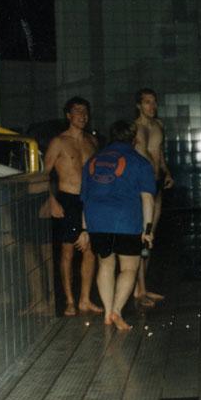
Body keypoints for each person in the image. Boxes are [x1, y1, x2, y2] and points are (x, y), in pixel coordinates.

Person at [78, 120, 156, 330]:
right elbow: (147, 198)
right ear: (134, 139)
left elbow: (85, 198)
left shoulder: (93, 161)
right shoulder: (140, 162)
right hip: (126, 220)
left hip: (97, 221)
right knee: (129, 268)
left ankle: (107, 311)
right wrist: (147, 230)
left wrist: (85, 229)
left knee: (105, 265)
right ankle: (117, 310)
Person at [43, 96, 102, 316]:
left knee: (90, 250)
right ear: (68, 115)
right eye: (77, 111)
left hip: (89, 200)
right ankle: (69, 300)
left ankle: (85, 299)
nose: (82, 115)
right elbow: (43, 175)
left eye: (85, 111)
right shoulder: (59, 142)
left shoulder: (92, 141)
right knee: (67, 250)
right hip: (67, 199)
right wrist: (51, 200)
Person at [133, 88, 172, 306]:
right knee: (143, 235)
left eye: (154, 102)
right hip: (143, 185)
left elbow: (159, 153)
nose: (152, 106)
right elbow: (142, 155)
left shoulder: (158, 125)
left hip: (156, 182)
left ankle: (142, 287)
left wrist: (167, 171)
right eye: (147, 102)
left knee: (151, 236)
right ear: (139, 105)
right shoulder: (135, 128)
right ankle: (140, 290)